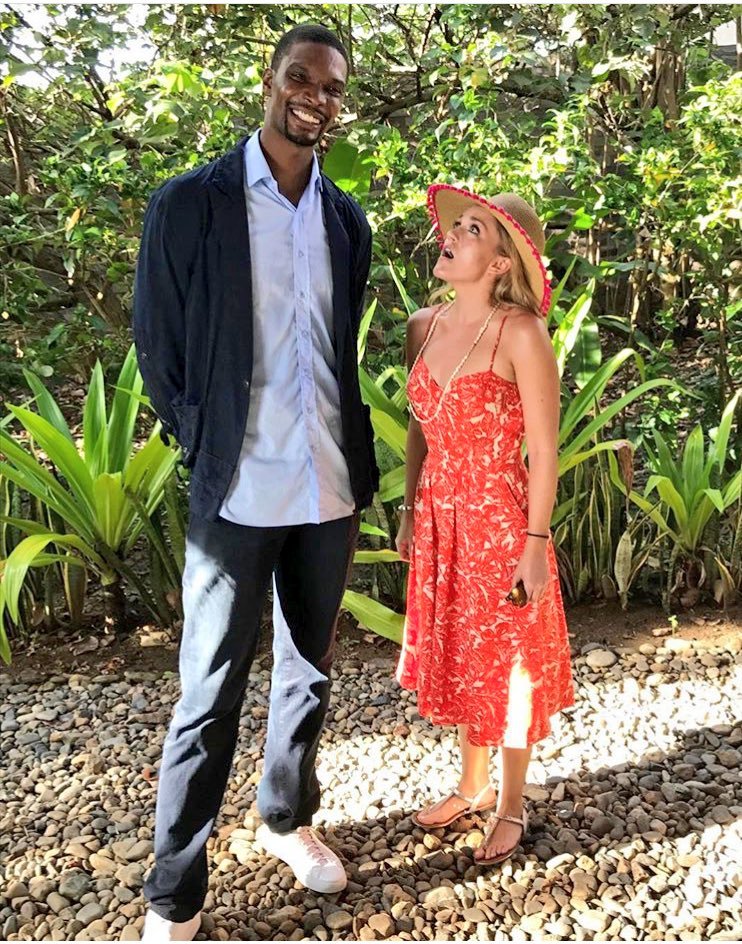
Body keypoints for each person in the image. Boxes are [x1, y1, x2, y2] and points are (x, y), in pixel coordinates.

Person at [133, 24, 378, 941]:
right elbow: (157, 340)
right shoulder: (190, 203)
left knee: (308, 671)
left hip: (327, 481)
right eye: (301, 78)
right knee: (209, 690)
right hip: (237, 486)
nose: (316, 95)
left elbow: (338, 347)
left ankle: (285, 816)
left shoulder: (343, 219)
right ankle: (174, 894)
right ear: (269, 82)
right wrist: (201, 437)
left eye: (332, 86)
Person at [395, 185, 574, 866]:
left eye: (474, 230)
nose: (453, 235)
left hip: (500, 515)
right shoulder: (424, 325)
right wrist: (410, 510)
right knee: (463, 649)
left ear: (501, 263)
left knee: (510, 657)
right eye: (458, 224)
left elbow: (545, 450)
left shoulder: (520, 332)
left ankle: (511, 805)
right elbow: (419, 427)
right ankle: (471, 786)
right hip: (439, 514)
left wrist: (535, 544)